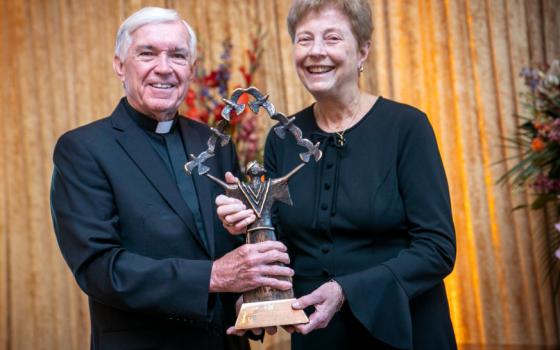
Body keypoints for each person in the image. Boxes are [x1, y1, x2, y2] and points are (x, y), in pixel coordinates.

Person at [216, 0, 457, 349]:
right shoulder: (282, 137)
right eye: (304, 39)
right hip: (319, 337)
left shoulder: (407, 127)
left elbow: (437, 249)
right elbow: (280, 245)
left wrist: (345, 291)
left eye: (331, 38)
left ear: (362, 51)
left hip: (405, 331)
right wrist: (255, 287)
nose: (316, 52)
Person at [50, 7, 293, 350]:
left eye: (178, 56)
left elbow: (232, 252)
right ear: (120, 65)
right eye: (147, 53)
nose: (164, 68)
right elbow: (100, 268)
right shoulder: (83, 149)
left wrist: (247, 301)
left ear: (191, 70)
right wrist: (213, 277)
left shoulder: (215, 143)